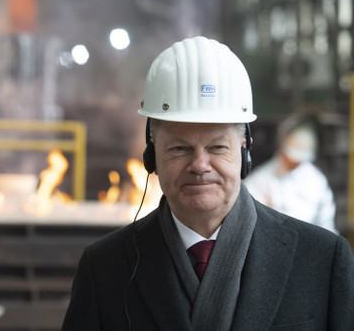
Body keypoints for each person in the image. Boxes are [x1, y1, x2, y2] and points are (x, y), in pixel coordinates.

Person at [62, 36, 354, 330]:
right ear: (152, 155)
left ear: (244, 148)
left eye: (217, 148)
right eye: (179, 148)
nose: (200, 166)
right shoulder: (104, 269)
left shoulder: (321, 260)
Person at [244, 115, 337, 233]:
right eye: (291, 158)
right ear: (281, 148)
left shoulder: (317, 181)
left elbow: (327, 225)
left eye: (299, 160)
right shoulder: (259, 181)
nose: (295, 163)